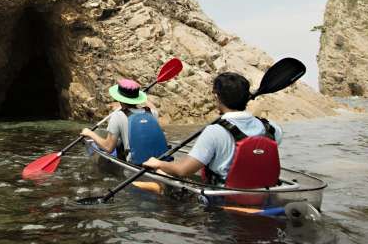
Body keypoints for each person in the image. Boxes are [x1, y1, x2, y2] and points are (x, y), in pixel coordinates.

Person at [143, 72, 283, 186]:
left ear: (217, 97)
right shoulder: (271, 128)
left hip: (223, 199)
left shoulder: (214, 131)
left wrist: (158, 163)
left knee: (162, 173)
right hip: (263, 192)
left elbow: (183, 170)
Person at [80, 78, 164, 163]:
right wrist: (140, 96)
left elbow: (108, 148)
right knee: (120, 143)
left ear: (119, 98)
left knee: (117, 144)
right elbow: (152, 107)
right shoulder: (152, 113)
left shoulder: (118, 116)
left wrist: (90, 133)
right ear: (137, 98)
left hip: (136, 165)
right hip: (158, 161)